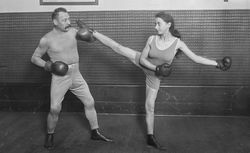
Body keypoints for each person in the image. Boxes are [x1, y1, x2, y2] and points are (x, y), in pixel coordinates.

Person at [76, 12, 232, 150]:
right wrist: (156, 68)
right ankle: (93, 31)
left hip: (154, 77)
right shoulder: (152, 38)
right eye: (155, 23)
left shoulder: (178, 44)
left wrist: (217, 64)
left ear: (168, 25)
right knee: (118, 47)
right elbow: (143, 59)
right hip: (147, 65)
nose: (156, 26)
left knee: (149, 106)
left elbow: (196, 58)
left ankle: (150, 137)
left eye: (159, 23)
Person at [31, 7, 112, 150]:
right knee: (54, 108)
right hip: (60, 77)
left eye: (69, 18)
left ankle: (95, 131)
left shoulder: (74, 32)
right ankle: (50, 135)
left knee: (90, 102)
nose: (68, 22)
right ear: (55, 22)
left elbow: (92, 40)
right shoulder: (46, 39)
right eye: (64, 20)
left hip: (76, 74)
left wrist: (87, 31)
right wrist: (49, 66)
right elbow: (34, 58)